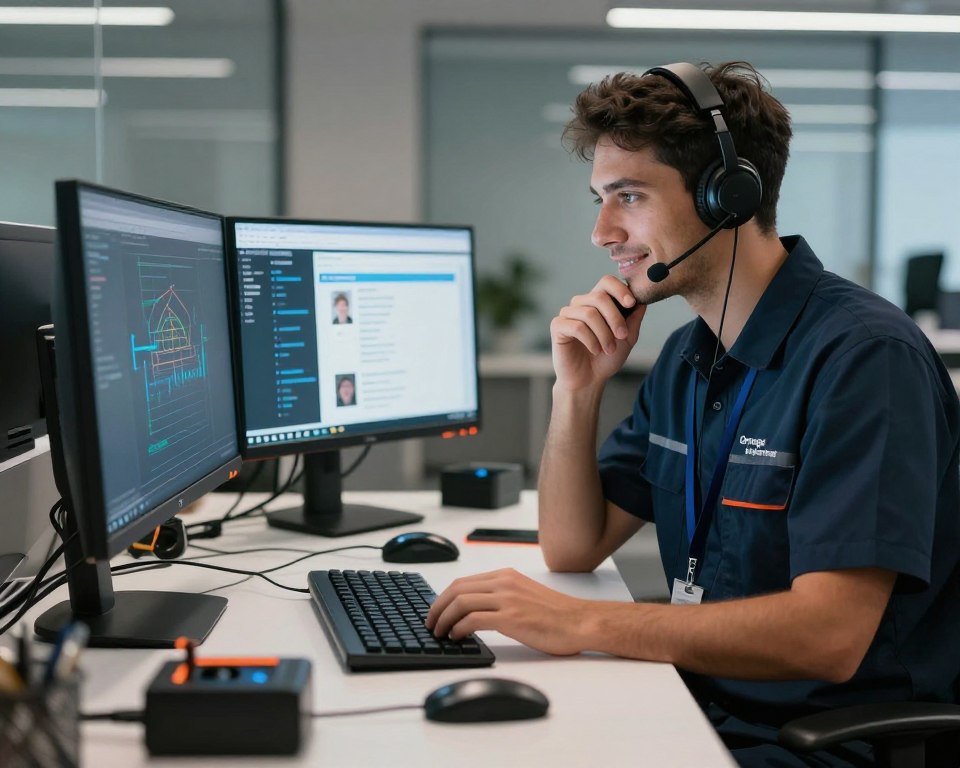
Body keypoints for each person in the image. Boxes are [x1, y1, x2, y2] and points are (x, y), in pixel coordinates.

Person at [426, 62, 960, 766]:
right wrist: (576, 391)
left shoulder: (864, 359)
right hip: (696, 705)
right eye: (600, 198)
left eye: (629, 196)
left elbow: (829, 637)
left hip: (827, 744)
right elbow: (572, 545)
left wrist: (583, 620)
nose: (602, 231)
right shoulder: (688, 356)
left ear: (728, 197)